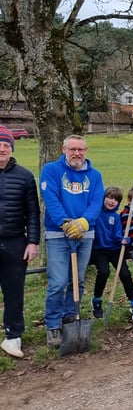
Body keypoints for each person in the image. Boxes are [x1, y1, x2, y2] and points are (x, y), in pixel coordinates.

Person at [40, 134, 105, 348]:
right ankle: (53, 324)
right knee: (58, 282)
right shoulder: (51, 170)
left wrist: (85, 223)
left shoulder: (94, 175)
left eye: (81, 149)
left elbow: (97, 201)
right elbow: (51, 199)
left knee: (77, 281)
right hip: (58, 234)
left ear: (86, 151)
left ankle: (70, 316)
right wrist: (65, 223)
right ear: (63, 149)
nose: (77, 153)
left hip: (85, 234)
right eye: (72, 149)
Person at [0, 126, 41, 358]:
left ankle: (13, 336)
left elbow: (32, 213)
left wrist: (32, 242)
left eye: (6, 145)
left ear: (12, 148)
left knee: (14, 292)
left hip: (16, 242)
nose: (2, 149)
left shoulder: (24, 176)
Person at [90, 187, 133, 323]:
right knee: (104, 272)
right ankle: (96, 300)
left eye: (116, 199)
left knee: (125, 274)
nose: (112, 201)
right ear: (104, 198)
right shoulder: (95, 213)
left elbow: (117, 236)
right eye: (110, 197)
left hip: (115, 249)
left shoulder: (115, 217)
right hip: (99, 250)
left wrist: (124, 240)